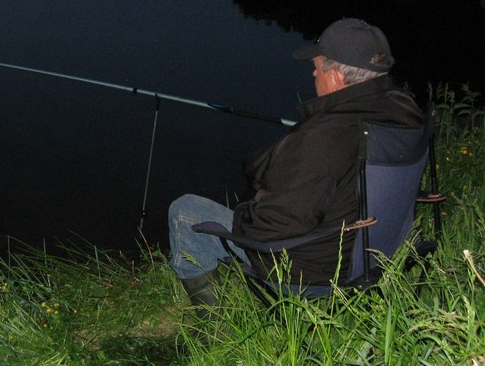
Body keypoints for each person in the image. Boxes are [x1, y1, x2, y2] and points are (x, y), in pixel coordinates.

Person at [168, 18, 425, 312]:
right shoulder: (406, 112)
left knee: (185, 212)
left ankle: (211, 325)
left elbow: (268, 228)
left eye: (316, 68)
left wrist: (245, 211)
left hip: (317, 274)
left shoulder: (317, 141)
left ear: (336, 78)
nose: (314, 75)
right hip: (379, 253)